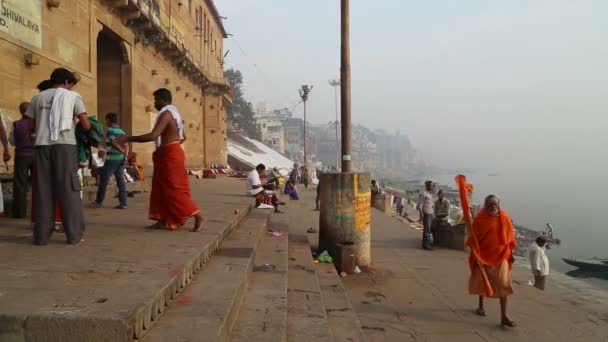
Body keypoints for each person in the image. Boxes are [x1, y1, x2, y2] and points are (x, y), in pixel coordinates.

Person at [116, 88, 204, 231]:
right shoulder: (175, 115)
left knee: (173, 188)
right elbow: (183, 137)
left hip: (170, 154)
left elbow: (153, 135)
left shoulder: (167, 114)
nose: (155, 103)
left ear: (164, 100)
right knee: (160, 189)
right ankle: (162, 220)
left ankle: (198, 215)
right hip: (169, 152)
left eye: (156, 100)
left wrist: (128, 138)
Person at [25, 68, 91, 245]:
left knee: (43, 190)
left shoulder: (37, 98)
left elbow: (30, 126)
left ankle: (41, 236)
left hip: (42, 146)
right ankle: (74, 235)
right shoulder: (73, 97)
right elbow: (85, 124)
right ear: (68, 82)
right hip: (65, 146)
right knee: (69, 189)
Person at [467, 194, 517, 328]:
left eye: (495, 204)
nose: (493, 207)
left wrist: (509, 253)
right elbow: (473, 240)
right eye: (490, 204)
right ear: (486, 205)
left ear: (499, 204)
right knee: (482, 283)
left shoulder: (505, 218)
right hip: (483, 258)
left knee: (504, 286)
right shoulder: (480, 219)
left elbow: (509, 238)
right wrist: (476, 256)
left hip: (500, 257)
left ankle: (504, 316)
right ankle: (480, 307)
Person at [91, 112, 128, 209]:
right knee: (120, 180)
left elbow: (113, 143)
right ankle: (123, 202)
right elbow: (127, 145)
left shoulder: (110, 130)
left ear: (109, 120)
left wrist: (123, 152)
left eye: (106, 120)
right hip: (119, 159)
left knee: (103, 179)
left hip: (112, 159)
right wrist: (125, 156)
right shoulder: (122, 131)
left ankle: (99, 202)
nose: (105, 122)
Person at [9, 102, 33, 218]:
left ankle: (19, 212)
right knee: (39, 184)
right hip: (36, 156)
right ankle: (39, 212)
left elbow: (12, 141)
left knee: (20, 184)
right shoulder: (37, 124)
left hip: (21, 156)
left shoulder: (16, 124)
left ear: (20, 111)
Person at [417, 180, 435, 250]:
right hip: (426, 214)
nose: (431, 187)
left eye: (432, 185)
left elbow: (431, 204)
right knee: (427, 230)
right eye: (430, 185)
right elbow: (419, 205)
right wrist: (421, 214)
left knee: (428, 229)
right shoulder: (423, 193)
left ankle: (427, 243)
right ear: (426, 186)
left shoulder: (430, 194)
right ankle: (426, 245)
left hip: (430, 214)